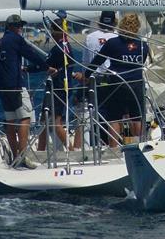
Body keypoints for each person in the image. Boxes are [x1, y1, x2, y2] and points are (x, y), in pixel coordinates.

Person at [0, 14, 53, 168]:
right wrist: (47, 68)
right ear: (11, 27)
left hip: (2, 87)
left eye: (21, 25)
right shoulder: (15, 39)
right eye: (18, 25)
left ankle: (15, 157)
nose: (20, 28)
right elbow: (31, 55)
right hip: (15, 86)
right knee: (25, 118)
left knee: (11, 121)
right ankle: (22, 156)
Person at [83, 12, 150, 147]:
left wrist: (86, 75)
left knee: (114, 117)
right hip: (136, 85)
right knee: (136, 117)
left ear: (121, 25)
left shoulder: (113, 43)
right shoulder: (143, 46)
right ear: (136, 27)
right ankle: (141, 146)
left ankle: (113, 150)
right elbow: (140, 63)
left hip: (116, 85)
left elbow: (97, 61)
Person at [26, 17, 81, 152]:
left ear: (57, 31)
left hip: (57, 88)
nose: (50, 33)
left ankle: (71, 150)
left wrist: (26, 69)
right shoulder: (66, 46)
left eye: (52, 30)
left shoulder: (58, 49)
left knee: (55, 122)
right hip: (63, 87)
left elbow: (45, 65)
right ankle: (40, 150)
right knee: (45, 121)